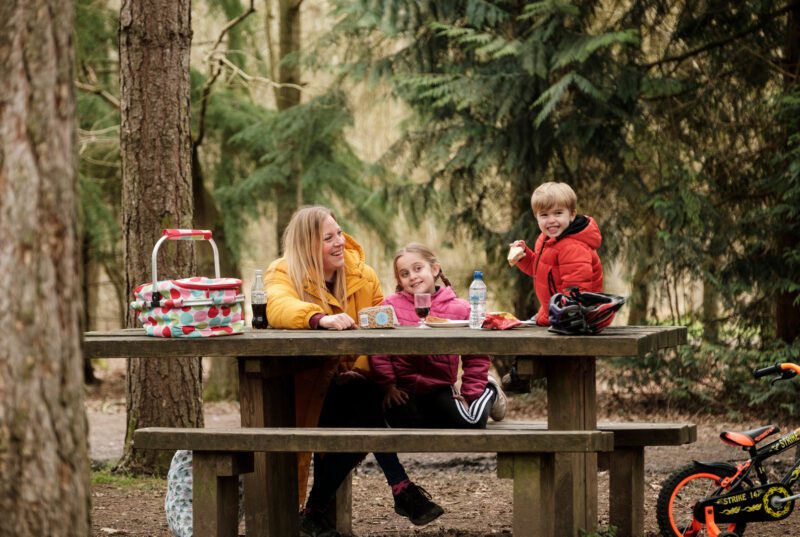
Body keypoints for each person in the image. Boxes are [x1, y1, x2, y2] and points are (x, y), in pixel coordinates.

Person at [265, 206, 443, 537]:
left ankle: (317, 512)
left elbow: (380, 327)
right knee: (363, 409)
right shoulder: (283, 272)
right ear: (307, 245)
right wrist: (319, 318)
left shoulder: (363, 275)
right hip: (306, 391)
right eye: (328, 238)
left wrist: (361, 369)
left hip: (356, 386)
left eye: (340, 233)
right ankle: (400, 489)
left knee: (362, 400)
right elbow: (277, 305)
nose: (339, 242)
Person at [370, 243, 507, 428]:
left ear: (434, 269)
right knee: (407, 426)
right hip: (403, 390)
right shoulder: (389, 306)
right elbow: (379, 349)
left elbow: (476, 356)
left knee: (471, 423)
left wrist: (470, 392)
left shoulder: (460, 308)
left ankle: (489, 390)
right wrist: (389, 386)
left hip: (440, 387)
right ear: (399, 280)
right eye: (405, 273)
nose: (413, 276)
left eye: (418, 268)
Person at [508, 181, 604, 326]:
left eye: (558, 213)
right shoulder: (547, 239)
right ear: (537, 217)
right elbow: (541, 271)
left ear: (572, 214)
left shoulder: (573, 247)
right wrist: (523, 257)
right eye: (544, 215)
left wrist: (565, 318)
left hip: (574, 320)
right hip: (552, 314)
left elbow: (576, 292)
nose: (551, 220)